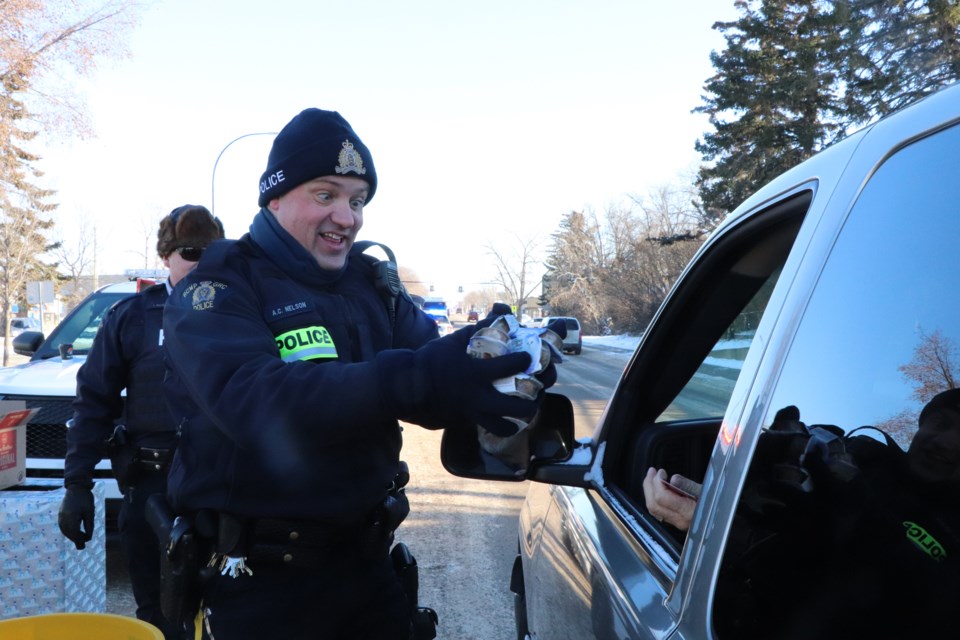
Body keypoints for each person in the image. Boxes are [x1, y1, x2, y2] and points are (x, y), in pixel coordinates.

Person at [160, 108, 557, 640]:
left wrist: (491, 368)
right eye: (325, 195)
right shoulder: (219, 286)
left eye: (357, 200)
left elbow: (430, 379)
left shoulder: (374, 286)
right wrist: (411, 378)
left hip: (368, 575)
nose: (347, 217)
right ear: (273, 197)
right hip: (261, 587)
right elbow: (254, 401)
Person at [644, 391, 960, 638]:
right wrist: (772, 454)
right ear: (922, 422)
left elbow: (889, 600)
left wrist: (723, 536)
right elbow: (789, 494)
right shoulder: (862, 456)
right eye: (942, 422)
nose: (948, 441)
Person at [58, 205, 225, 639]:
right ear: (167, 255)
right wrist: (76, 485)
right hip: (153, 489)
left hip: (225, 486)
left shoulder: (245, 314)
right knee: (160, 613)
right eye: (190, 252)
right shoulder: (132, 317)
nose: (201, 263)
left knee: (231, 612)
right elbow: (94, 402)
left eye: (212, 253)